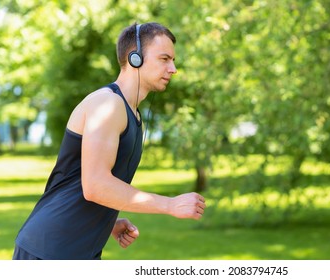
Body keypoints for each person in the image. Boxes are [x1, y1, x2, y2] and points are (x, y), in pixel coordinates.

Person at [13, 22, 206, 260]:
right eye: (164, 59)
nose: (173, 68)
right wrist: (169, 204)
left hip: (77, 248)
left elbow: (84, 183)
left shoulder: (131, 114)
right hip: (50, 249)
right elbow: (95, 185)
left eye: (173, 60)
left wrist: (106, 220)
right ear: (134, 58)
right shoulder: (107, 104)